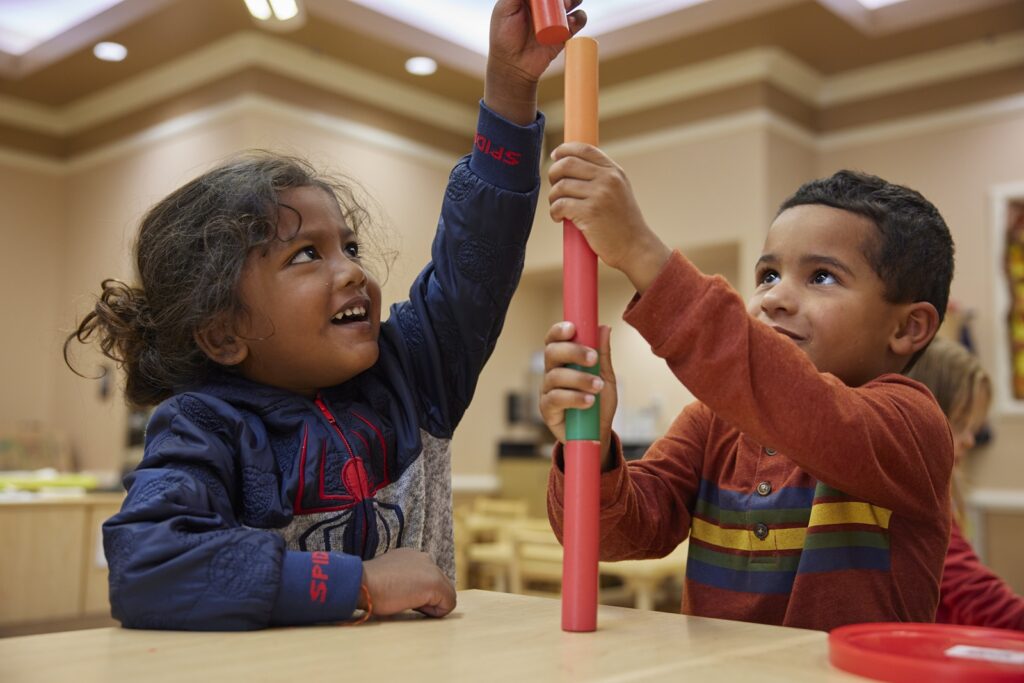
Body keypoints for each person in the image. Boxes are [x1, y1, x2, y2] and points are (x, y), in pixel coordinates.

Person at [64, 0, 587, 630]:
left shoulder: (415, 374)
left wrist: (510, 85)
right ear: (223, 332)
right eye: (306, 254)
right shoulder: (203, 428)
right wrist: (359, 583)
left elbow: (478, 259)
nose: (352, 272)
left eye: (351, 247)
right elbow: (147, 567)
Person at [539, 148, 956, 631]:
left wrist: (640, 251)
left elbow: (808, 410)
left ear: (908, 328)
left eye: (822, 277)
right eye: (768, 275)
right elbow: (611, 535)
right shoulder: (710, 422)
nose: (775, 297)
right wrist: (587, 443)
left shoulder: (911, 426)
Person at [906, 336, 1024, 630]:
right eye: (960, 424)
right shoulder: (915, 493)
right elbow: (974, 593)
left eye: (974, 428)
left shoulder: (947, 487)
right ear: (925, 418)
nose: (970, 440)